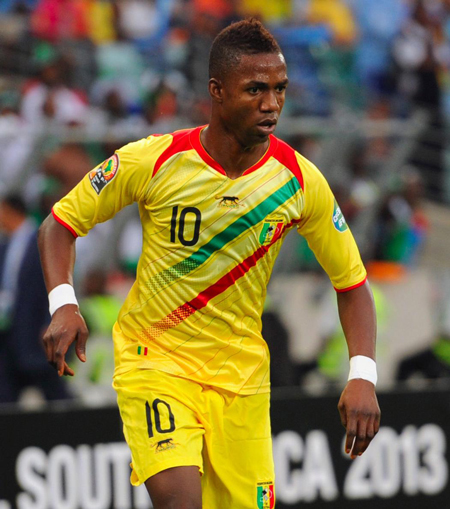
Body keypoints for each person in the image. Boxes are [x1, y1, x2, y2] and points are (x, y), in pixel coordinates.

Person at [38, 18, 380, 508]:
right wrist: (64, 304)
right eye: (255, 89)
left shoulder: (300, 182)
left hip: (241, 383)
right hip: (156, 362)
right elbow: (59, 225)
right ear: (217, 91)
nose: (272, 104)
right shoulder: (154, 161)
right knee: (179, 500)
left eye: (280, 89)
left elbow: (352, 284)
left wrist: (362, 373)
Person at [0, 194, 70, 403]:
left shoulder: (42, 237)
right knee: (7, 391)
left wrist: (52, 319)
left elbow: (56, 280)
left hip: (37, 328)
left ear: (10, 211)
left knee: (52, 388)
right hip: (10, 332)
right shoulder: (5, 245)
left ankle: (74, 421)